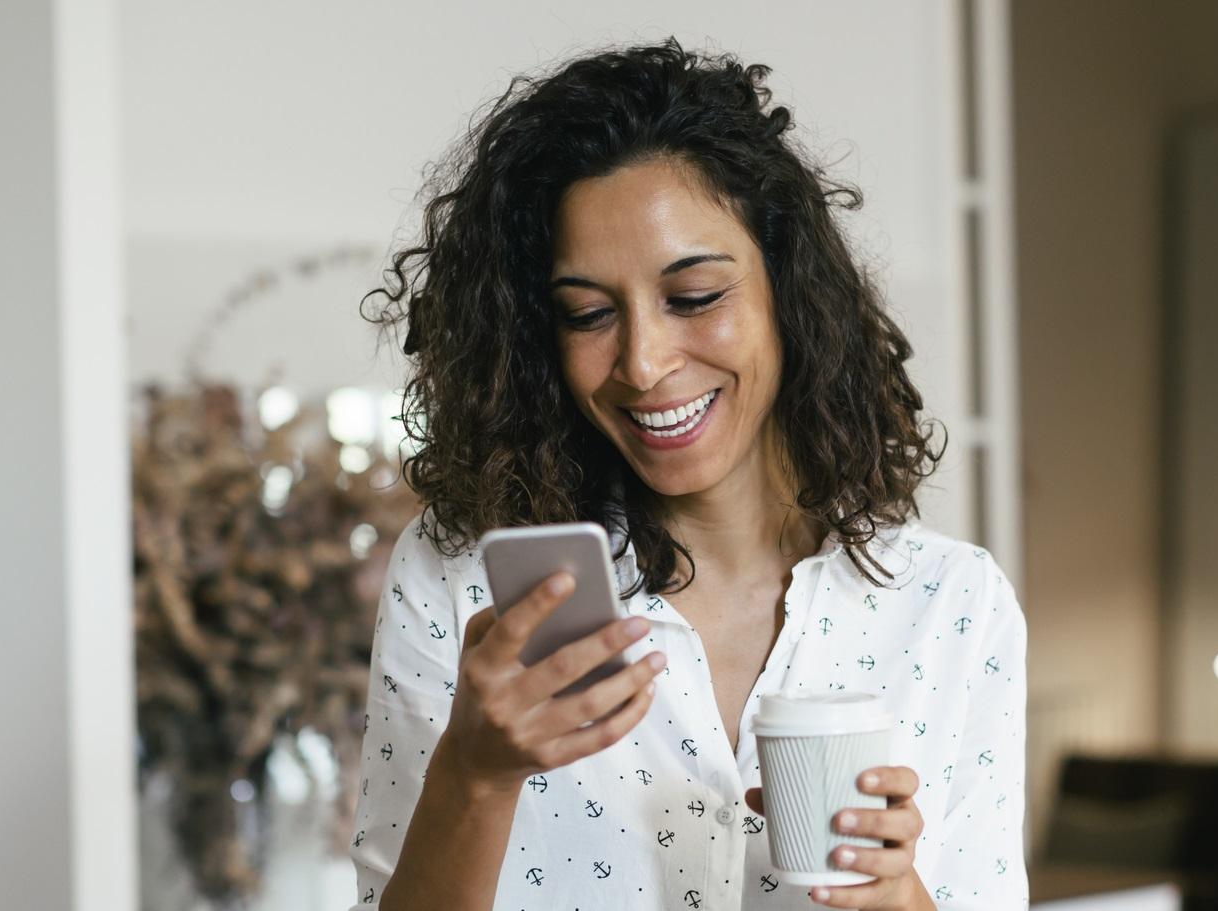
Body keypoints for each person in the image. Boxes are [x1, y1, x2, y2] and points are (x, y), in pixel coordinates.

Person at [349, 38, 1027, 911]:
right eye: (588, 313)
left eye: (695, 296)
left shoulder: (947, 605)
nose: (642, 361)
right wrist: (475, 776)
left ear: (788, 289)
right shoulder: (462, 581)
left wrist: (898, 898)